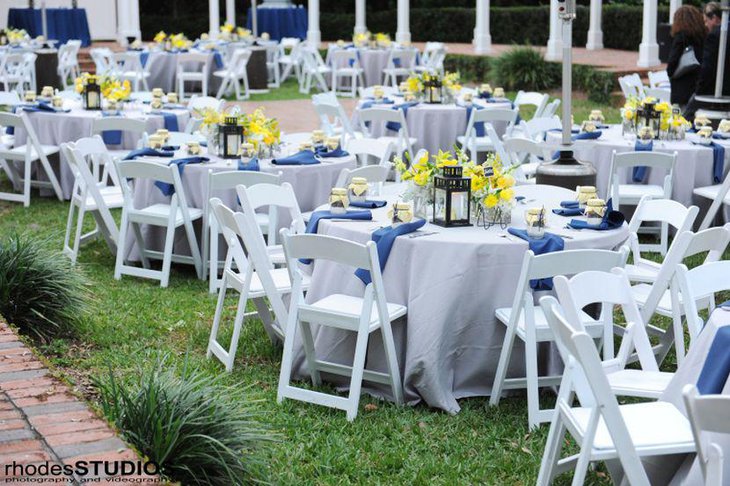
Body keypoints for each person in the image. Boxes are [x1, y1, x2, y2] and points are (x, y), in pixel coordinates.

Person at [667, 5, 707, 107]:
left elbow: (671, 65)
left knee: (682, 120)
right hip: (698, 87)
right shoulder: (703, 36)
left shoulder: (681, 37)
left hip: (682, 90)